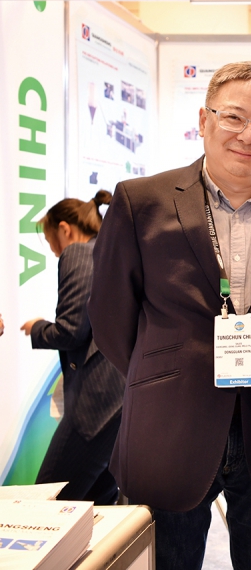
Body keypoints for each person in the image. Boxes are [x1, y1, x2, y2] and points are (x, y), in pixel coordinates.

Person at [88, 61, 251, 570]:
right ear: (204, 120)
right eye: (234, 117)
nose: (249, 135)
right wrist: (165, 373)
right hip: (168, 426)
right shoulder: (141, 201)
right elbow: (109, 317)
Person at [19, 190, 124, 504]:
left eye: (50, 240)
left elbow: (71, 331)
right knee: (98, 503)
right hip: (120, 399)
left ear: (64, 229)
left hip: (95, 403)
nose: (53, 251)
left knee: (47, 502)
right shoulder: (110, 252)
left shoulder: (78, 253)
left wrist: (37, 328)